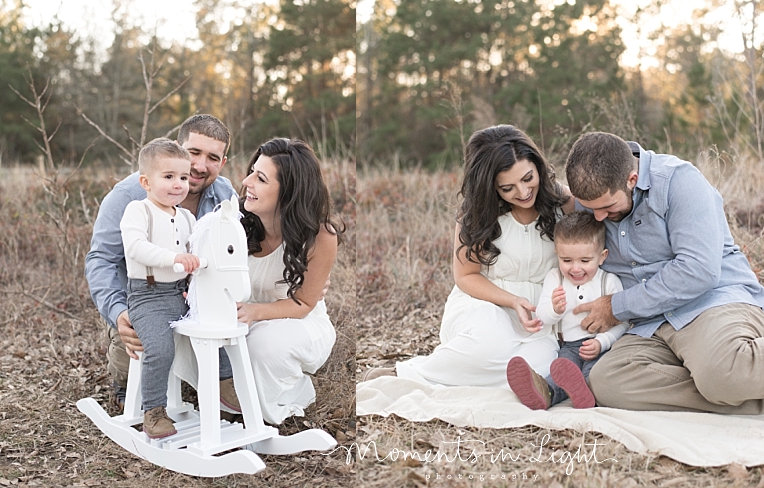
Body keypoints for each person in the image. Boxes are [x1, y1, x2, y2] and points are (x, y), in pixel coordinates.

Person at [565, 131, 764, 413]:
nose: (597, 217)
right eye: (590, 208)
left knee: (724, 372)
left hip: (710, 303)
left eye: (606, 207)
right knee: (607, 381)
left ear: (631, 180)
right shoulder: (596, 196)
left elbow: (698, 271)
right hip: (651, 324)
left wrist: (617, 306)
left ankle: (724, 382)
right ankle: (730, 391)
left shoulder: (679, 181)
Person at [365, 124, 574, 387]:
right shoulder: (476, 214)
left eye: (527, 178)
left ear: (537, 166)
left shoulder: (562, 201)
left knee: (537, 368)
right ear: (490, 187)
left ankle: (471, 374)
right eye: (507, 188)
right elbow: (466, 276)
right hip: (486, 304)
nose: (522, 192)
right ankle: (412, 373)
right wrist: (513, 300)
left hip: (540, 314)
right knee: (487, 350)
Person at [85, 114, 240, 411]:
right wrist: (119, 313)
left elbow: (238, 248)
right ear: (179, 148)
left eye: (212, 157)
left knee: (229, 341)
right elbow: (101, 259)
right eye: (194, 153)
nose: (200, 165)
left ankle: (217, 385)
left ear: (222, 162)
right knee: (139, 359)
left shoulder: (224, 195)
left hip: (193, 300)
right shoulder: (130, 195)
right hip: (143, 299)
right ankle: (126, 379)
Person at [234, 137, 343, 424]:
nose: (246, 182)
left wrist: (255, 312)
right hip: (243, 316)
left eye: (260, 178)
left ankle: (282, 400)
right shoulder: (236, 221)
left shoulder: (320, 236)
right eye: (252, 172)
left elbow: (305, 302)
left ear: (288, 191)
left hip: (297, 321)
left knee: (262, 346)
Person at [120, 138, 201, 438]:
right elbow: (137, 248)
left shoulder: (188, 217)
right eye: (168, 177)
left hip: (181, 294)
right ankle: (153, 410)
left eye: (183, 177)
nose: (178, 184)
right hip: (147, 296)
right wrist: (175, 259)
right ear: (146, 181)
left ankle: (222, 388)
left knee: (214, 333)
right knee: (159, 348)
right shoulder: (138, 211)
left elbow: (198, 253)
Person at [506, 211, 628, 410]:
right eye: (567, 260)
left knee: (594, 373)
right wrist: (554, 309)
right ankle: (545, 393)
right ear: (557, 254)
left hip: (600, 344)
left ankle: (588, 394)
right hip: (569, 346)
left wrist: (602, 342)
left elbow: (622, 322)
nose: (576, 268)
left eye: (585, 261)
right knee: (561, 373)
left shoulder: (609, 281)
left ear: (602, 256)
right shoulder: (555, 278)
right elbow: (543, 317)